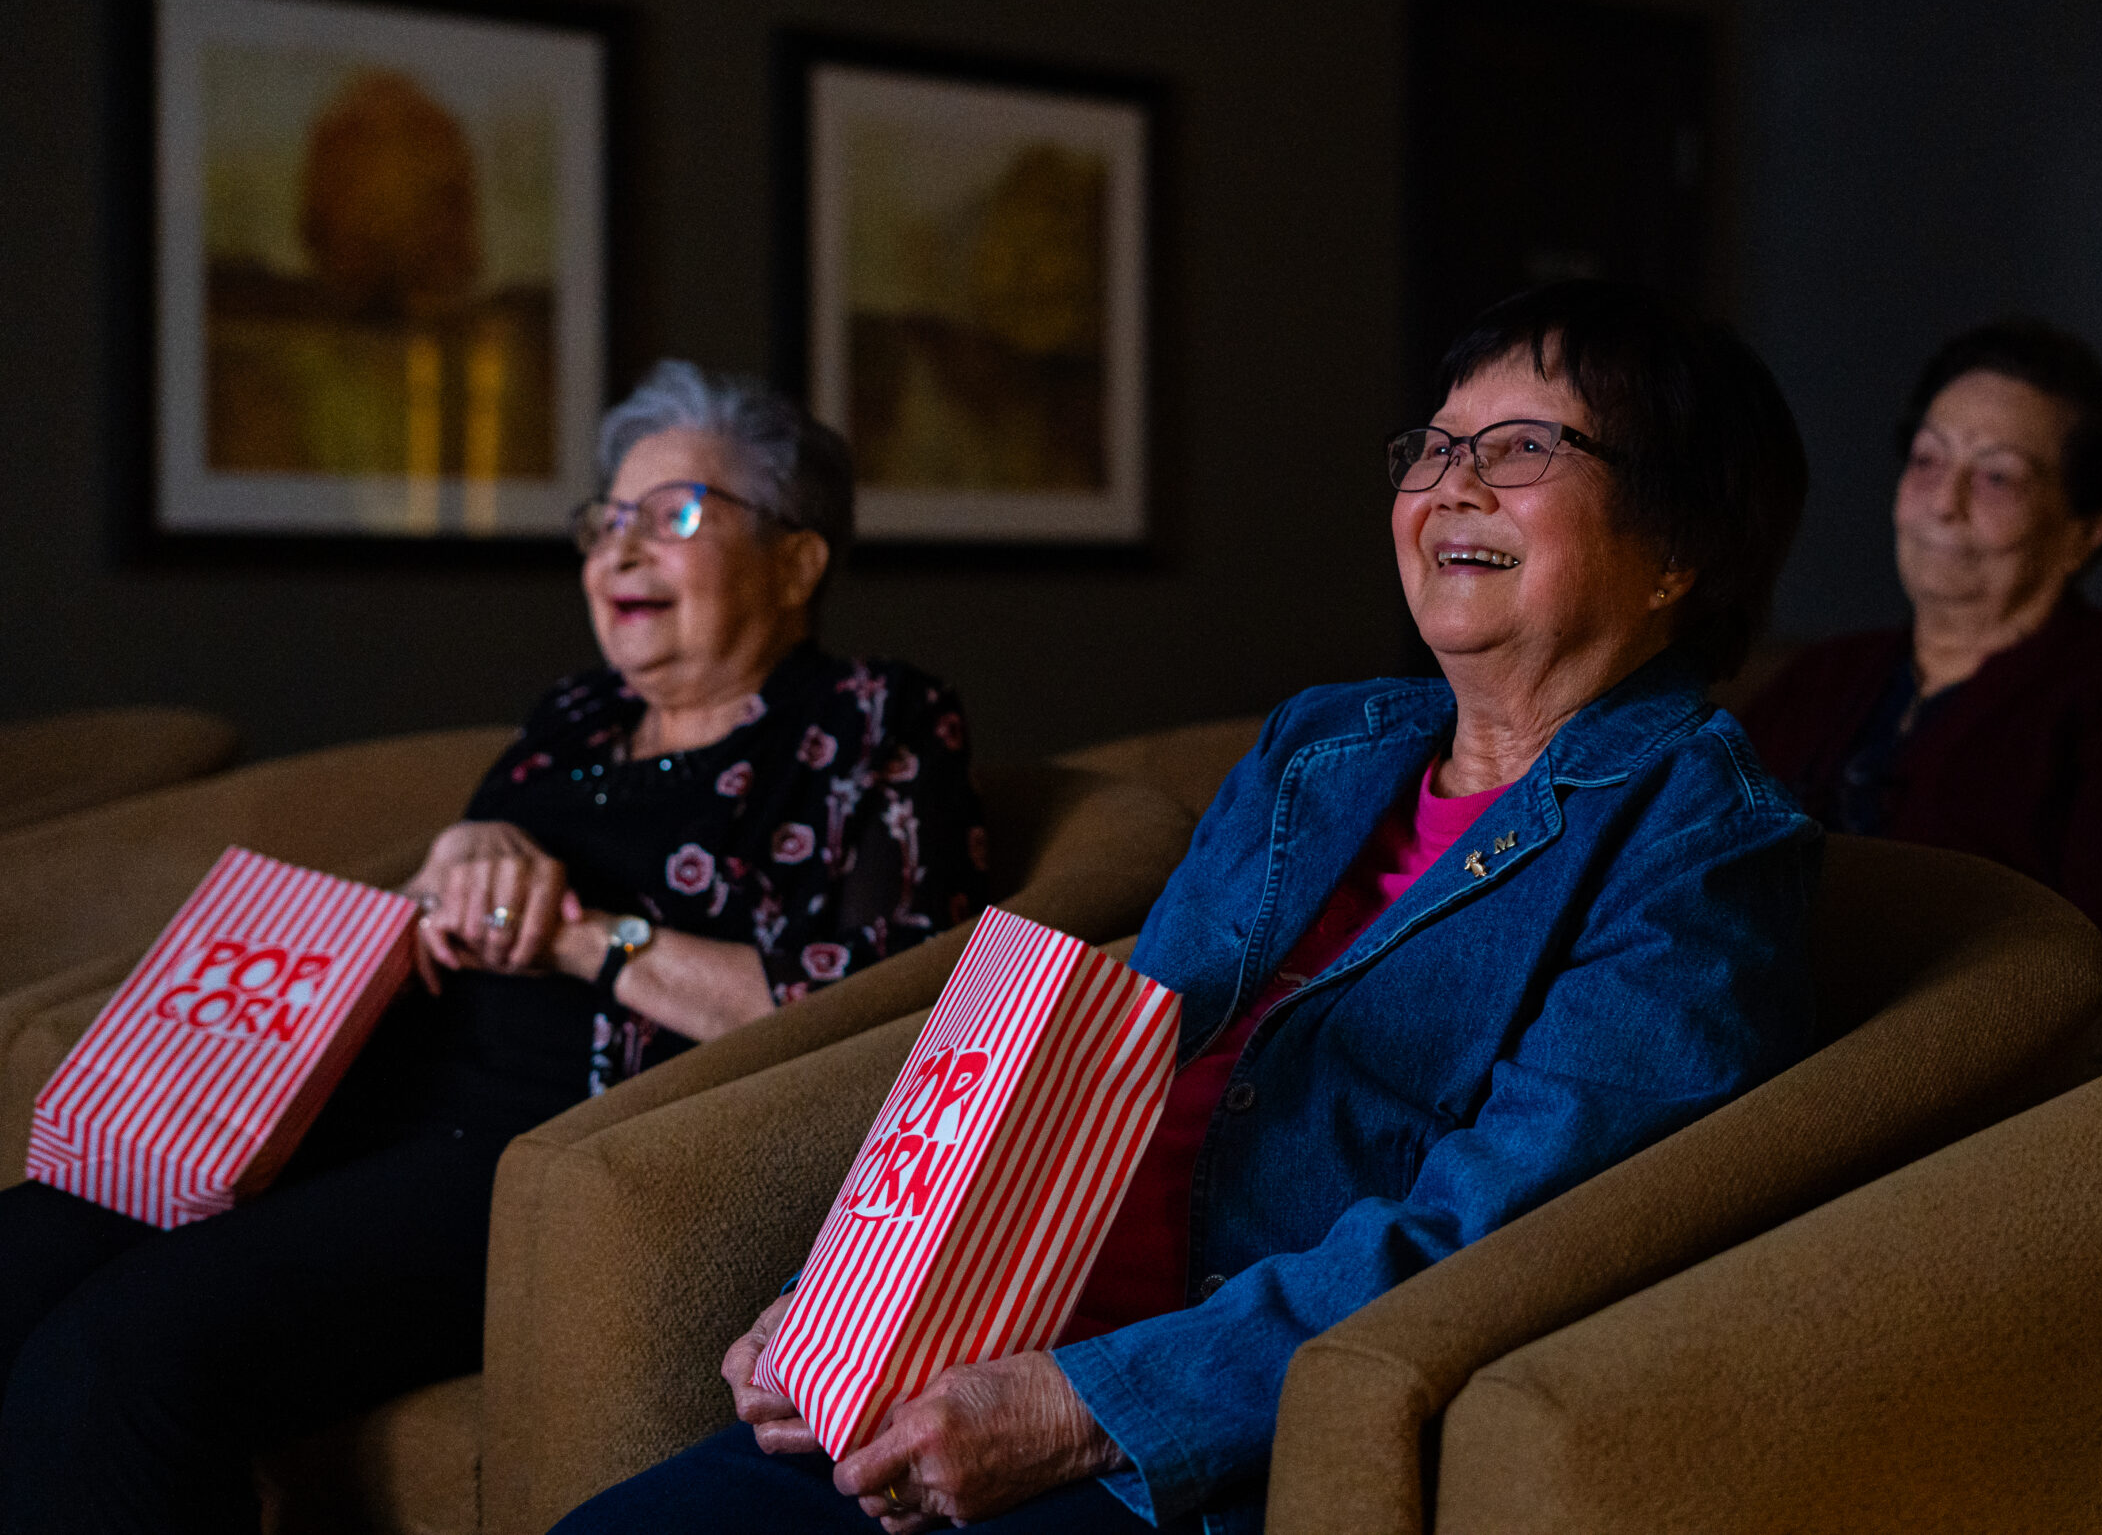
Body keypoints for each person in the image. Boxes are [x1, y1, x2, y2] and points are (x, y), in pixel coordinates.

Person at [556, 279, 1821, 1535]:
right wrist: (842, 1297)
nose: (1451, 487)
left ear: (1679, 549)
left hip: (1181, 1442)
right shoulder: (1321, 746)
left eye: (1522, 449)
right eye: (1434, 448)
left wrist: (1077, 1407)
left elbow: (1500, 1233)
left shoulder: (1701, 843)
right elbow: (1075, 1078)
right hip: (995, 1338)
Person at [0, 362, 987, 1535]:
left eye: (674, 515)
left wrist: (580, 936)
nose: (620, 551)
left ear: (797, 559)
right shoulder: (575, 716)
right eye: (604, 522)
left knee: (118, 1357)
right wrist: (463, 850)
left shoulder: (874, 720)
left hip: (542, 1153)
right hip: (353, 1100)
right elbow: (447, 905)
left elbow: (885, 1005)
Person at [1740, 319, 2102, 964]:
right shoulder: (1822, 675)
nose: (1944, 504)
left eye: (1997, 478)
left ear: (2086, 531)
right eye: (1927, 461)